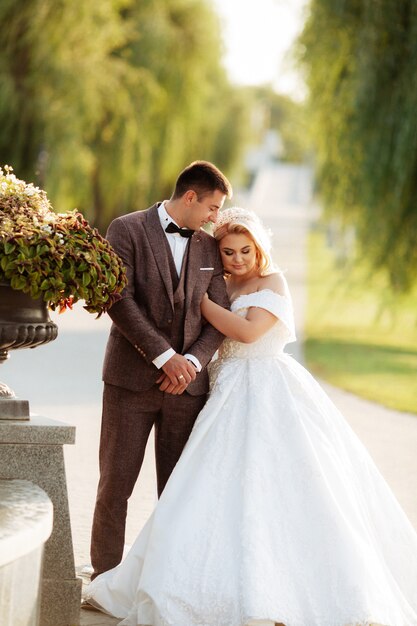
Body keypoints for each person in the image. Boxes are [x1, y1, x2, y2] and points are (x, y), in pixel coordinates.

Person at [85, 207, 417, 625]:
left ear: (258, 247)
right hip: (222, 391)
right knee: (207, 490)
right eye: (228, 251)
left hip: (267, 390)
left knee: (278, 484)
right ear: (217, 251)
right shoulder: (218, 280)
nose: (238, 258)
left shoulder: (271, 281)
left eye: (245, 250)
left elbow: (247, 332)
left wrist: (199, 302)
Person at [89, 161, 232, 582]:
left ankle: (166, 582)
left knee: (177, 493)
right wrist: (162, 355)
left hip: (186, 389)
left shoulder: (209, 247)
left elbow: (219, 314)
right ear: (190, 197)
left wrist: (189, 362)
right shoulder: (126, 229)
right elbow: (118, 298)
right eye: (212, 207)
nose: (215, 217)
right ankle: (104, 579)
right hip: (130, 383)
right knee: (115, 486)